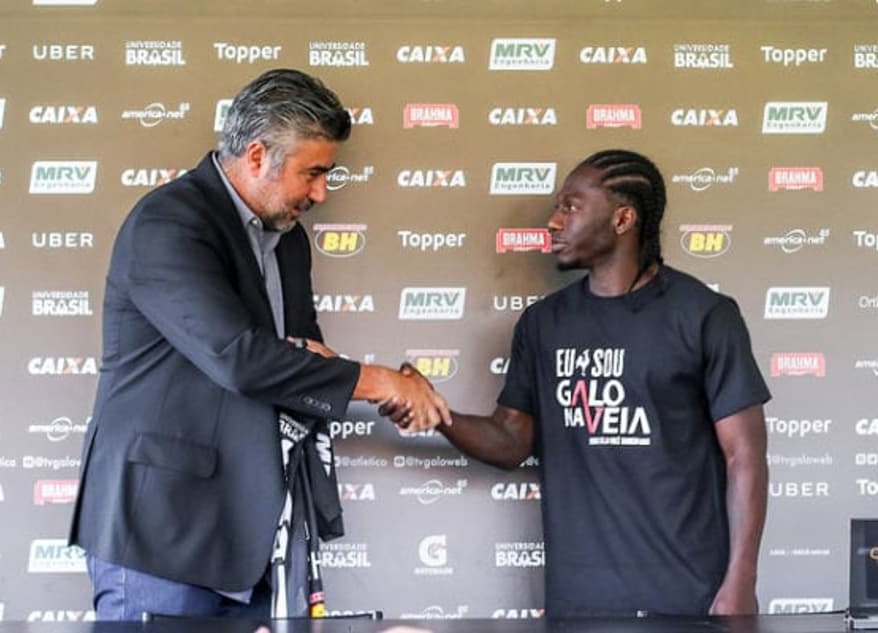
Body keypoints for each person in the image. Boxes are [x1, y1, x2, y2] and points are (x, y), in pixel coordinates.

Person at [68, 68, 449, 621]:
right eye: (312, 173)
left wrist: (368, 381)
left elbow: (301, 354)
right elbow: (240, 359)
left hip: (252, 535)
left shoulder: (289, 241)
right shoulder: (169, 222)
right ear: (256, 156)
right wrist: (376, 382)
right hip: (162, 531)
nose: (320, 193)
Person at [384, 149, 770, 618]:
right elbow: (510, 442)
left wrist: (741, 581)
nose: (553, 222)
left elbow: (744, 457)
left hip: (688, 594)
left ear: (623, 218)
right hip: (579, 599)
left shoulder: (704, 315)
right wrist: (437, 413)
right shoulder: (544, 323)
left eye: (571, 207)